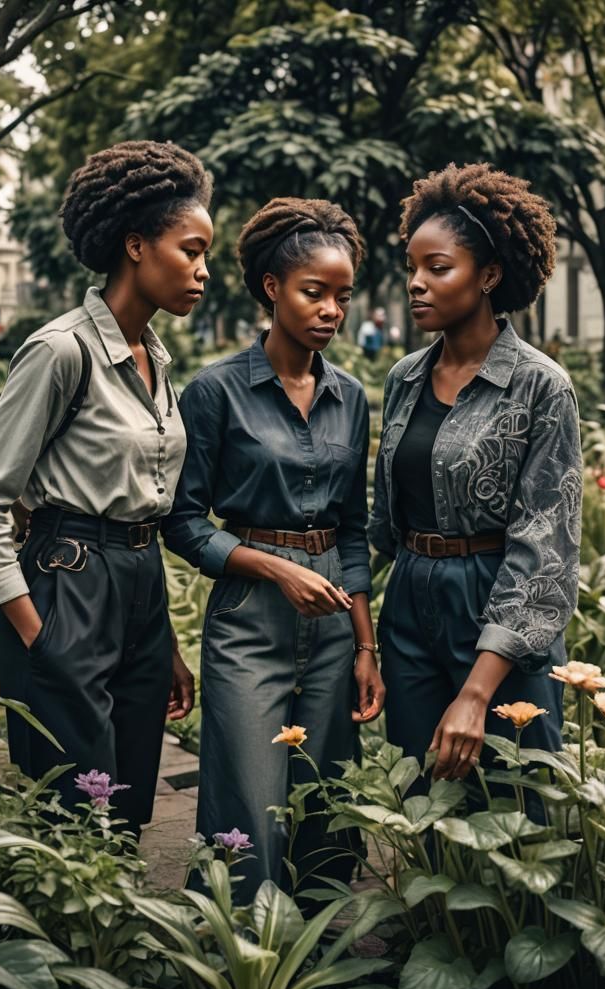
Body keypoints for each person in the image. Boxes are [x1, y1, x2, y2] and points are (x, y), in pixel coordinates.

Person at [0, 141, 212, 825]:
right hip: (65, 581)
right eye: (191, 250)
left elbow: (141, 506)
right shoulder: (61, 351)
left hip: (139, 588)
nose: (203, 271)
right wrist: (37, 635)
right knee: (74, 808)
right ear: (135, 245)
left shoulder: (156, 359)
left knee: (126, 809)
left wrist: (164, 641)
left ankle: (121, 931)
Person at [164, 197, 385, 899]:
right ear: (272, 289)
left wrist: (364, 647)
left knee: (325, 808)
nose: (330, 311)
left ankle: (317, 969)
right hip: (248, 615)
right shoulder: (214, 392)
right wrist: (271, 567)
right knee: (246, 811)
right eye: (313, 292)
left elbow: (354, 527)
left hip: (331, 624)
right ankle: (242, 964)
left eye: (342, 297)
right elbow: (182, 521)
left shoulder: (350, 396)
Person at [370, 163, 582, 785]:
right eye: (412, 268)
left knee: (517, 804)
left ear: (489, 275)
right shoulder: (404, 378)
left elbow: (547, 550)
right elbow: (384, 522)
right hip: (409, 605)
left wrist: (476, 691)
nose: (417, 284)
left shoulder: (541, 386)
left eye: (438, 269)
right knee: (421, 799)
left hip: (499, 609)